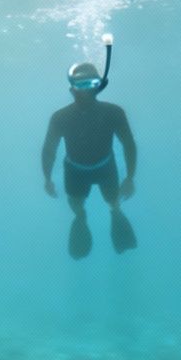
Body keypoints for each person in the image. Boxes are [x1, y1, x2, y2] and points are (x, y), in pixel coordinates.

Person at [41, 61, 137, 258]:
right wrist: (47, 178)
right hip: (75, 170)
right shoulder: (60, 117)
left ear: (99, 86)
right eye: (80, 85)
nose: (85, 91)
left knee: (113, 201)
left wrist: (130, 178)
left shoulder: (114, 113)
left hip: (104, 167)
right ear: (71, 89)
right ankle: (81, 217)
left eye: (90, 84)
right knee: (77, 205)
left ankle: (114, 212)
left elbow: (129, 144)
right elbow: (49, 150)